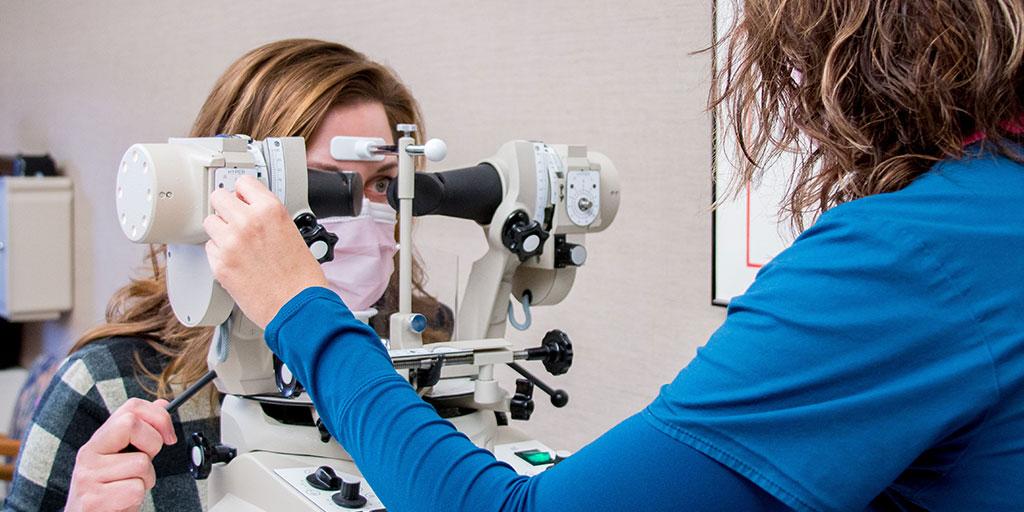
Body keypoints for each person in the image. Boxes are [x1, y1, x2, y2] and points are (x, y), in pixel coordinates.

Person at [202, 1, 1024, 511]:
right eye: (327, 189)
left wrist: (299, 308)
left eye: (386, 186)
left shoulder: (910, 258)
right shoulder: (978, 227)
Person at [4, 38, 450, 512]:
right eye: (322, 184)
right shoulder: (107, 386)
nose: (359, 213)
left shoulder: (434, 357)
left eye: (382, 183)